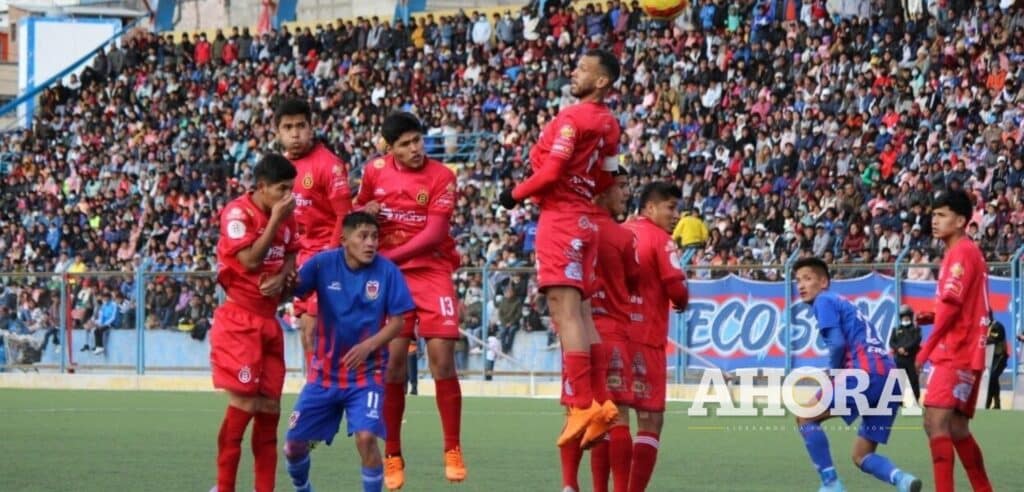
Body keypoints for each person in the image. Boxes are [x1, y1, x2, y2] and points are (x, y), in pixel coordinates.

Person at [498, 49, 623, 448]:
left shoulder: (573, 118)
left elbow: (551, 171)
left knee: (564, 312)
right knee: (583, 314)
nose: (574, 71)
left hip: (562, 217)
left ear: (602, 81)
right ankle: (602, 402)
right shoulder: (610, 125)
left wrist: (512, 195)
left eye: (584, 68)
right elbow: (609, 177)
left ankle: (582, 403)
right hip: (586, 220)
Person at [354, 112, 465, 489]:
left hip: (431, 272)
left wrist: (387, 261)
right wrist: (362, 211)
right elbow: (357, 215)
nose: (415, 148)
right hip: (392, 281)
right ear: (391, 148)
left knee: (442, 360)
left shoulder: (442, 176)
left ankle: (452, 448)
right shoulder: (375, 171)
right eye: (405, 144)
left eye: (418, 140)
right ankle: (393, 455)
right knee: (394, 367)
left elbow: (435, 234)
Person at [282, 211, 415, 492]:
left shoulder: (387, 271)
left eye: (375, 237)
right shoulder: (322, 264)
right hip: (323, 376)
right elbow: (294, 289)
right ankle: (303, 487)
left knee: (366, 438)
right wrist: (287, 275)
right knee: (292, 446)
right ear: (344, 240)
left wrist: (369, 345)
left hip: (366, 376)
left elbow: (399, 322)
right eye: (363, 236)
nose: (371, 244)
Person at [792, 257, 921, 492]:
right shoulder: (845, 303)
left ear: (823, 282)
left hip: (865, 372)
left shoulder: (824, 300)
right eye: (797, 280)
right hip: (890, 378)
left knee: (805, 415)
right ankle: (902, 479)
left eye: (808, 279)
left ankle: (830, 484)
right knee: (861, 455)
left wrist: (832, 375)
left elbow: (838, 344)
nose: (801, 285)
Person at [210, 153, 298, 492]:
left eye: (291, 189)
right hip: (239, 322)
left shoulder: (287, 215)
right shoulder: (237, 213)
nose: (288, 196)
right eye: (281, 189)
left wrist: (285, 275)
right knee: (244, 403)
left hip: (268, 321)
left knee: (270, 410)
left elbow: (292, 250)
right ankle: (224, 486)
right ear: (261, 188)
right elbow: (248, 261)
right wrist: (275, 220)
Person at [915, 189, 993, 492]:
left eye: (942, 215)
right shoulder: (968, 251)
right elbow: (959, 306)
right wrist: (934, 315)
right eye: (934, 214)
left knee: (934, 422)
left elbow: (951, 305)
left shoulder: (960, 253)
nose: (934, 220)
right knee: (957, 427)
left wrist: (926, 349)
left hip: (954, 350)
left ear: (961, 220)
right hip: (969, 351)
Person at [623, 182, 690, 492]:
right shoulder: (660, 240)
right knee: (650, 420)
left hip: (611, 336)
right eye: (670, 207)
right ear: (650, 208)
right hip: (645, 338)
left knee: (615, 418)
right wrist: (681, 301)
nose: (675, 215)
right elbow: (676, 288)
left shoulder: (617, 232)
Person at [276, 98, 352, 369]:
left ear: (311, 128)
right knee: (309, 337)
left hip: (327, 257)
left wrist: (329, 259)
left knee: (314, 331)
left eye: (300, 126)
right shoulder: (280, 169)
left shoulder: (329, 165)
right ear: (278, 132)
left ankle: (323, 396)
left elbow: (345, 216)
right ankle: (319, 393)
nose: (295, 133)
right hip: (300, 259)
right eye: (288, 127)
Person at [586, 168, 639, 492]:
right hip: (615, 333)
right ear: (602, 192)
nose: (626, 193)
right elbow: (634, 279)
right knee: (619, 418)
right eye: (620, 186)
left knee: (594, 420)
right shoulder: (622, 235)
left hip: (581, 336)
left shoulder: (575, 230)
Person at [889, 305, 922, 401]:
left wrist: (905, 348)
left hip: (911, 359)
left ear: (910, 317)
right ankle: (898, 401)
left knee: (913, 380)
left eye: (907, 316)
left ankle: (916, 400)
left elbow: (916, 341)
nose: (905, 318)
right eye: (903, 317)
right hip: (899, 359)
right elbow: (891, 342)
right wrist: (898, 349)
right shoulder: (896, 330)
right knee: (899, 380)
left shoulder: (916, 329)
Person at [984, 312, 1007, 410]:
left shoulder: (997, 326)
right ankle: (996, 403)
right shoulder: (985, 327)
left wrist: (981, 338)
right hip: (991, 358)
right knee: (993, 380)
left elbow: (993, 339)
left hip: (1000, 357)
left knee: (992, 378)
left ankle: (988, 403)